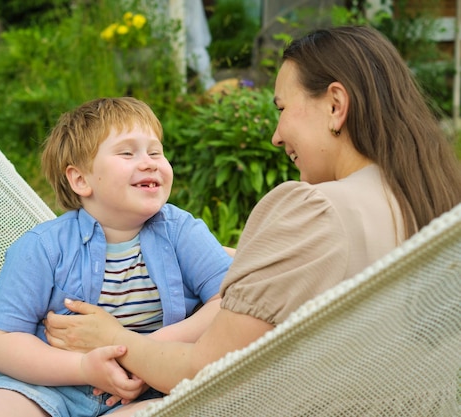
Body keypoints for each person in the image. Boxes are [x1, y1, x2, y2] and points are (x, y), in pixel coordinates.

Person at [43, 25, 461, 398]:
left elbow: (205, 373)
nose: (277, 136)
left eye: (281, 108)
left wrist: (115, 339)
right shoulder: (430, 201)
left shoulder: (311, 209)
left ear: (335, 105)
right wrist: (236, 258)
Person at [0, 97, 233, 417]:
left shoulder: (182, 231)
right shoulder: (43, 247)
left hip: (148, 389)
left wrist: (151, 352)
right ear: (81, 180)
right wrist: (84, 367)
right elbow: (0, 343)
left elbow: (231, 300)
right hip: (51, 385)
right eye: (127, 153)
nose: (150, 162)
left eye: (156, 152)